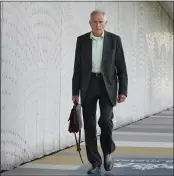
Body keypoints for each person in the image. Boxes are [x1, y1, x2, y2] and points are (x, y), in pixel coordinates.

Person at [72, 10, 128, 174]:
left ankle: (108, 151)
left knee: (105, 120)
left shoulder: (114, 40)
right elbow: (77, 68)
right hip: (88, 85)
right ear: (90, 23)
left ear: (105, 23)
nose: (97, 24)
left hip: (107, 85)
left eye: (100, 22)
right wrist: (75, 91)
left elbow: (122, 69)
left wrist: (123, 90)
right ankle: (95, 162)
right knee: (89, 126)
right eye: (94, 22)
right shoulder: (81, 40)